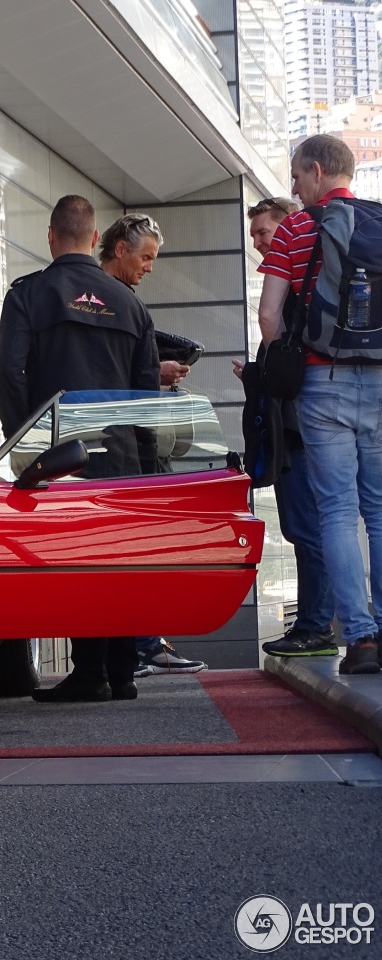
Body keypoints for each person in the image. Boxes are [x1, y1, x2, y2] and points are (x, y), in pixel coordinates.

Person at [0, 195, 159, 702]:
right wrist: (148, 467)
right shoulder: (130, 303)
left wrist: (25, 444)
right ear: (94, 240)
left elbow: (9, 375)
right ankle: (123, 673)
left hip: (61, 455)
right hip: (123, 456)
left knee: (78, 560)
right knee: (120, 560)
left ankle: (89, 672)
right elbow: (147, 392)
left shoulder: (27, 296)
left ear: (50, 236)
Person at [257, 135, 381, 675]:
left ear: (315, 169)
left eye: (295, 176)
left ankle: (361, 638)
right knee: (379, 510)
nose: (293, 187)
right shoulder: (379, 222)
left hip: (320, 382)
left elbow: (268, 317)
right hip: (379, 383)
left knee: (336, 512)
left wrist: (284, 351)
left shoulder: (297, 227)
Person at [97, 214, 209, 677]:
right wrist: (152, 373)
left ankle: (137, 647)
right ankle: (135, 649)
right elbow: (108, 376)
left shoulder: (118, 300)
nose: (150, 267)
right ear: (119, 248)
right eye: (145, 257)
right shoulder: (111, 302)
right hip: (114, 446)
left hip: (112, 442)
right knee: (126, 551)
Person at [237, 198, 338, 659]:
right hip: (298, 426)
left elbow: (290, 363)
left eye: (265, 231)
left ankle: (317, 625)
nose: (259, 242)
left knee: (307, 527)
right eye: (255, 234)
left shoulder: (291, 293)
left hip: (298, 429)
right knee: (314, 527)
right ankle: (320, 621)